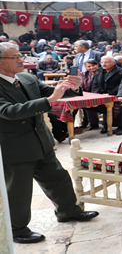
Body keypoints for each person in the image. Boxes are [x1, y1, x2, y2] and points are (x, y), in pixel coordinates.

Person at [0, 42, 98, 244]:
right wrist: (49, 100)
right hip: (15, 146)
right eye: (14, 57)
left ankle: (68, 211)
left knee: (58, 178)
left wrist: (73, 86)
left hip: (40, 141)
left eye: (20, 55)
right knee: (18, 190)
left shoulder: (26, 78)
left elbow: (56, 94)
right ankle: (17, 229)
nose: (21, 60)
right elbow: (9, 111)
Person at [87, 56, 122, 133]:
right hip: (101, 94)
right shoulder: (99, 71)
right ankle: (93, 123)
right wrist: (97, 95)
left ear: (113, 63)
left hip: (114, 94)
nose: (103, 64)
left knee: (107, 103)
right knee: (87, 103)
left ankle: (106, 125)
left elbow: (121, 86)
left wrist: (109, 93)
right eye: (102, 62)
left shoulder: (121, 72)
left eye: (106, 62)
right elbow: (95, 85)